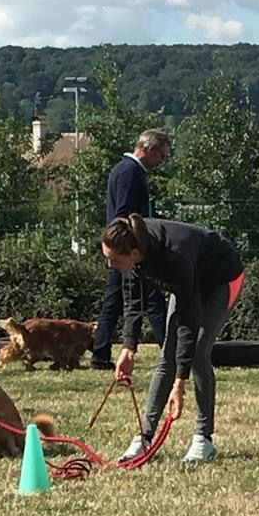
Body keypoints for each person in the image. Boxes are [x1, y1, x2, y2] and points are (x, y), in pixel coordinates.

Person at [100, 214, 244, 463]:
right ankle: (144, 438)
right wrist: (128, 348)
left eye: (113, 259)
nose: (109, 265)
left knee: (197, 352)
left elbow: (188, 321)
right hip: (189, 281)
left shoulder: (176, 256)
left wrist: (179, 383)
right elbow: (134, 303)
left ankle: (204, 439)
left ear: (134, 253)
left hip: (223, 279)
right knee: (167, 353)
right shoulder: (133, 247)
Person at [90, 130, 171, 370]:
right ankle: (170, 350)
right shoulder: (129, 172)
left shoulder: (127, 170)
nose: (162, 161)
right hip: (128, 250)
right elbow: (123, 214)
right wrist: (130, 249)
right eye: (161, 155)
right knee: (152, 300)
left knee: (117, 301)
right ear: (149, 149)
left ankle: (100, 355)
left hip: (125, 250)